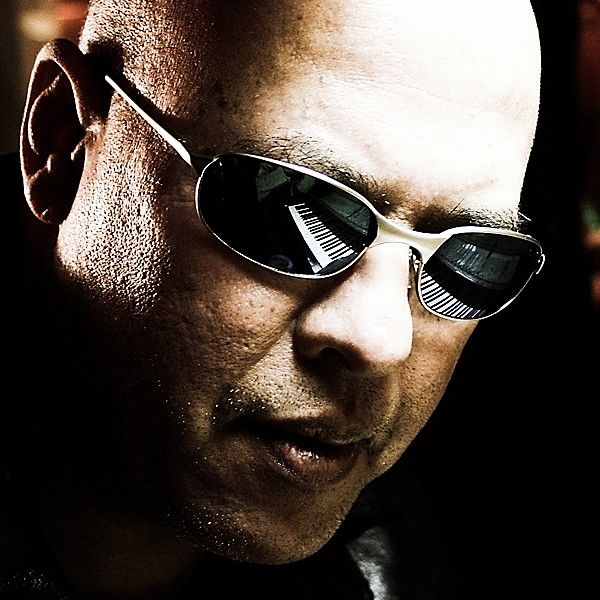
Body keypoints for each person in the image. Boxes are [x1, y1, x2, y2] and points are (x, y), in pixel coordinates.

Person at [1, 0, 546, 598]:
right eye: (291, 209)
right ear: (62, 143)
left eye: (469, 261)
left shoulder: (445, 545)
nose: (382, 341)